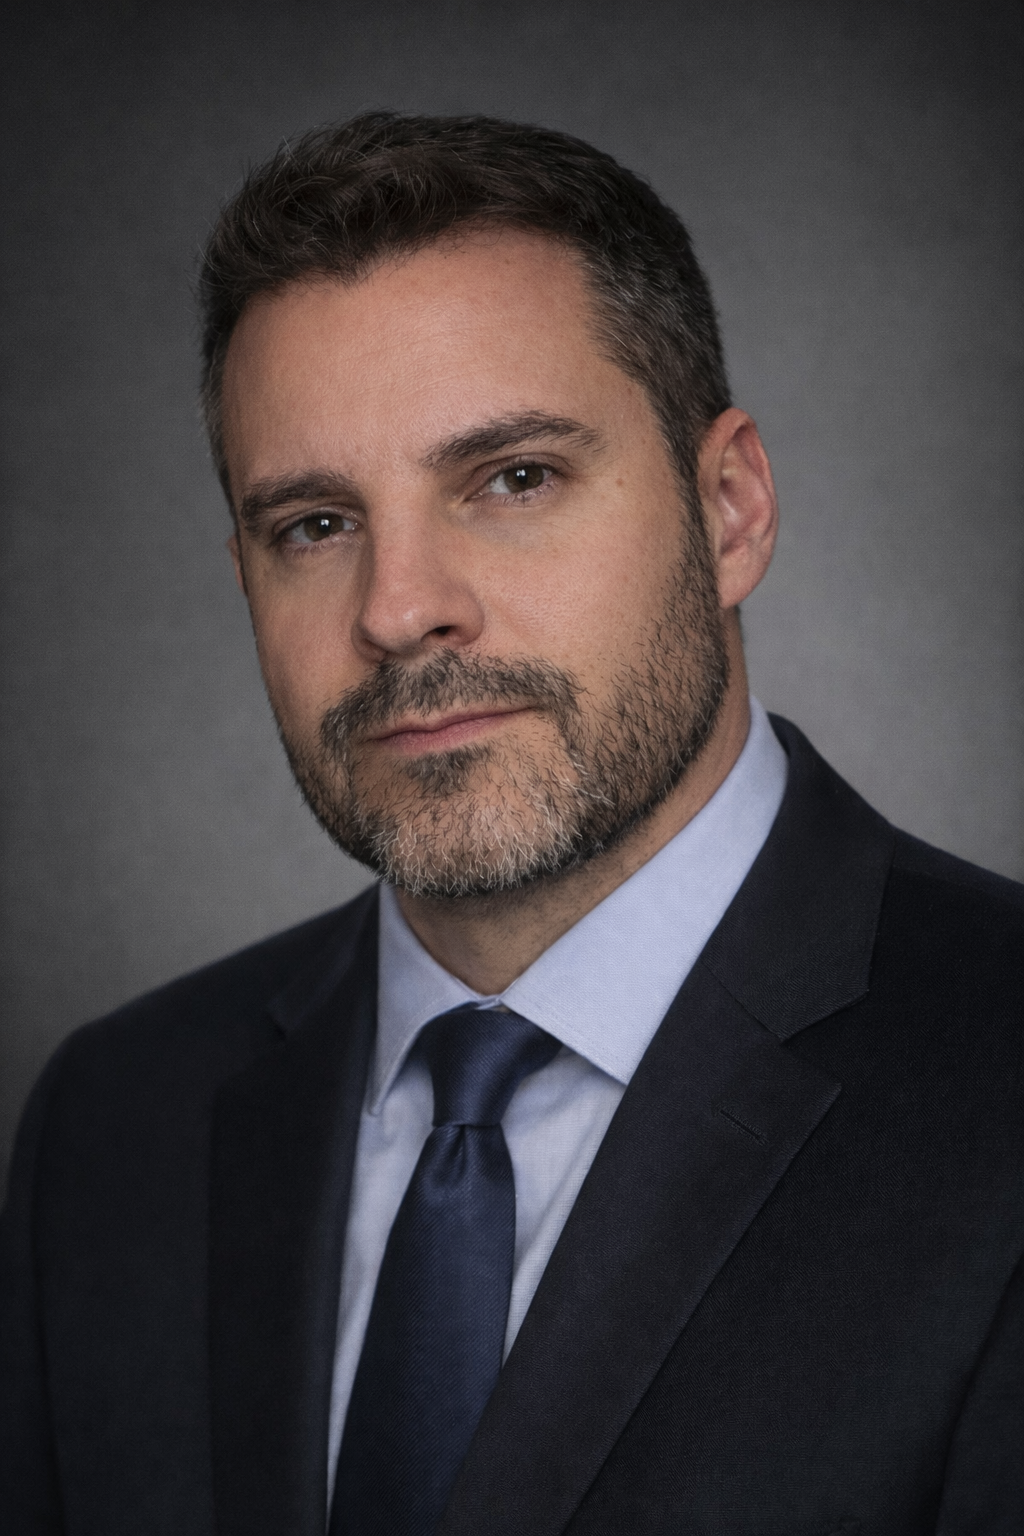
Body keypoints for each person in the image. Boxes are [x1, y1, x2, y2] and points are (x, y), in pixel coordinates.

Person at [1, 111, 1021, 1536]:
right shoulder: (113, 1126)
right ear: (243, 574)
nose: (399, 606)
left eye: (513, 479)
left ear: (730, 509)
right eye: (313, 523)